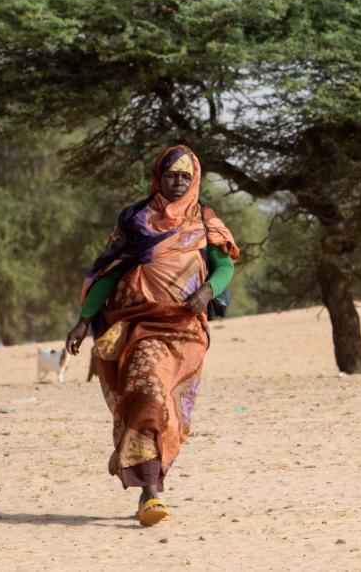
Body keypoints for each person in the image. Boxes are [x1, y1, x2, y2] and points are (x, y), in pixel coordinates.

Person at [65, 145, 238, 527]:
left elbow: (224, 266)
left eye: (186, 176)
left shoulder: (205, 221)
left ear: (195, 181)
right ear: (158, 176)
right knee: (148, 389)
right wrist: (83, 319)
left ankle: (153, 479)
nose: (178, 181)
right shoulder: (136, 219)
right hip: (137, 325)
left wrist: (207, 291)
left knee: (170, 410)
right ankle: (150, 493)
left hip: (184, 329)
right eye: (171, 174)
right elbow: (109, 271)